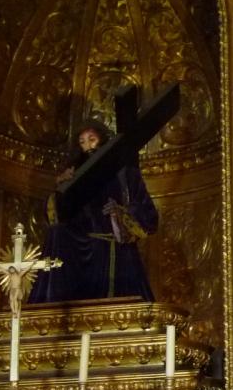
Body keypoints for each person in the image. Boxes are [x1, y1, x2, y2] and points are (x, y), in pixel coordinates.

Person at [27, 121, 159, 304]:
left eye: (92, 139)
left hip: (112, 251)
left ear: (102, 140)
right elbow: (56, 217)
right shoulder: (74, 175)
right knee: (57, 233)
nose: (87, 146)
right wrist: (61, 188)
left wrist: (120, 214)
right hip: (77, 250)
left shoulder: (124, 173)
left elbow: (148, 214)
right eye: (82, 142)